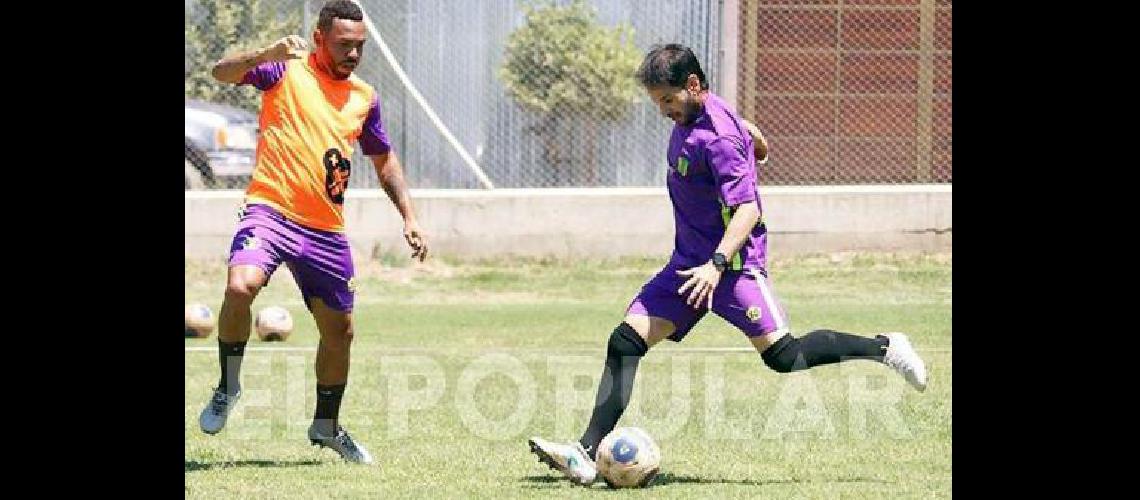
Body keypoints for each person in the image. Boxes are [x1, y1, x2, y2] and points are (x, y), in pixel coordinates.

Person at [527, 43, 927, 485]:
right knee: (625, 342)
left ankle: (886, 347)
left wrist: (717, 264)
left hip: (731, 267)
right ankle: (585, 452)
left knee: (784, 356)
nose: (662, 110)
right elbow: (745, 136)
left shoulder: (716, 136)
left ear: (693, 85)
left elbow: (748, 209)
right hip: (688, 265)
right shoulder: (703, 116)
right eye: (657, 101)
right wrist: (753, 139)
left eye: (667, 100)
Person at [196, 0, 428, 465]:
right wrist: (266, 54)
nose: (354, 55)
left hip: (324, 231)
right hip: (270, 211)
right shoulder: (283, 71)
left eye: (359, 46)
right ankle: (228, 386)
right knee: (240, 286)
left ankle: (326, 426)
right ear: (320, 39)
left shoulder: (364, 97)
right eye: (345, 45)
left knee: (340, 333)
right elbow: (220, 72)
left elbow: (384, 160)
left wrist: (409, 215)